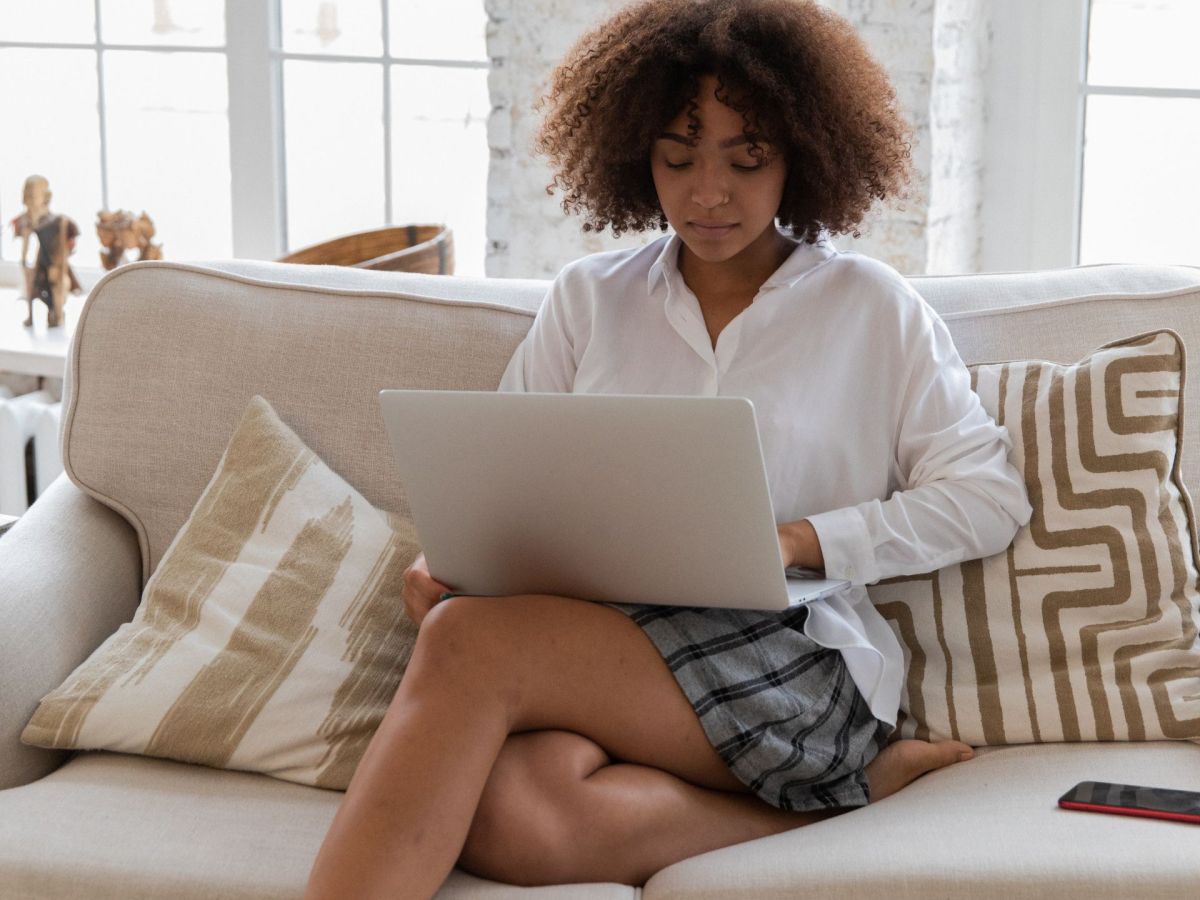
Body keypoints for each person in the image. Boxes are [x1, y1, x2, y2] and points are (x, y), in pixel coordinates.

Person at [304, 1, 1033, 897]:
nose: (707, 193)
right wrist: (444, 555)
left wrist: (800, 540)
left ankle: (842, 769)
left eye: (746, 158)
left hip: (791, 665)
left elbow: (989, 496)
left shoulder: (871, 310)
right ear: (632, 153)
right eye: (677, 158)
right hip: (604, 654)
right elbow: (501, 476)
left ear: (803, 153)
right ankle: (850, 798)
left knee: (467, 644)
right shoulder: (589, 300)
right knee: (515, 819)